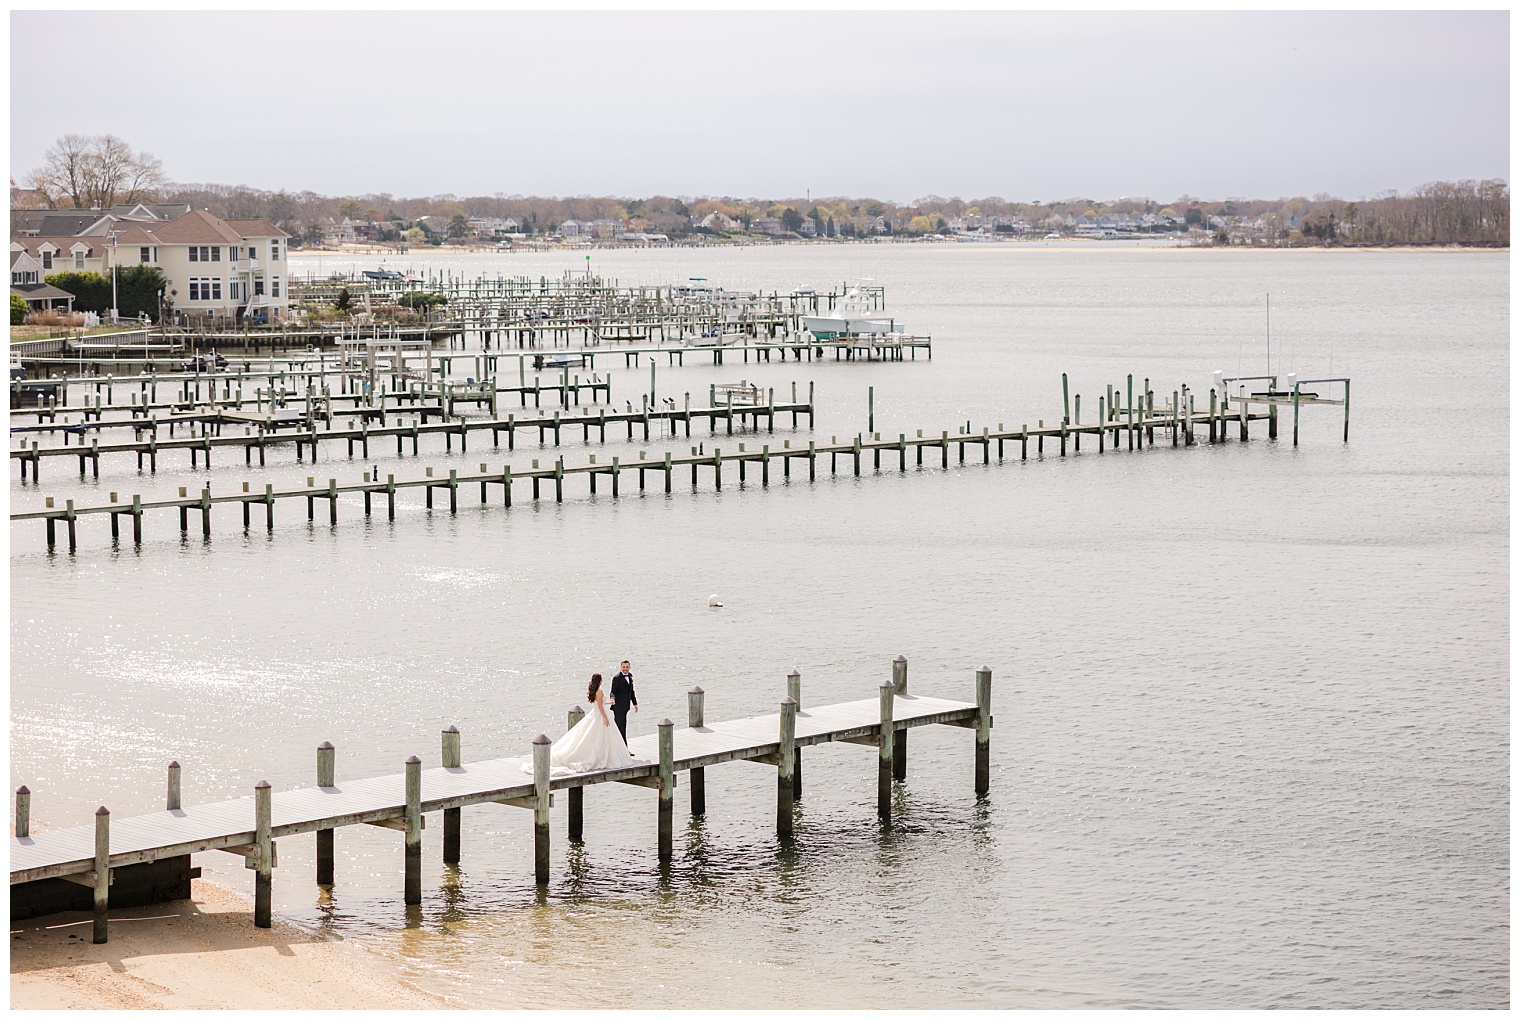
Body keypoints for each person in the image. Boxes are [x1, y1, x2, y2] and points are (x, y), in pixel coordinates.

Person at [527, 674, 636, 776]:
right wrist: (606, 718)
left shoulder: (595, 692)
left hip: (595, 714)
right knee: (600, 736)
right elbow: (600, 707)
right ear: (600, 681)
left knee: (592, 736)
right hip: (600, 715)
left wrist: (609, 703)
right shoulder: (600, 692)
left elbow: (599, 704)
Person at [609, 660, 638, 744]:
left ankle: (622, 749)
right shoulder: (617, 678)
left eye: (627, 667)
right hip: (618, 707)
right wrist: (612, 699)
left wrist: (635, 703)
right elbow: (613, 691)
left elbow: (631, 691)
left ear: (629, 667)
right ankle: (624, 749)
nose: (625, 669)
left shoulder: (630, 676)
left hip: (625, 706)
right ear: (621, 667)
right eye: (624, 667)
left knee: (623, 727)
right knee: (620, 728)